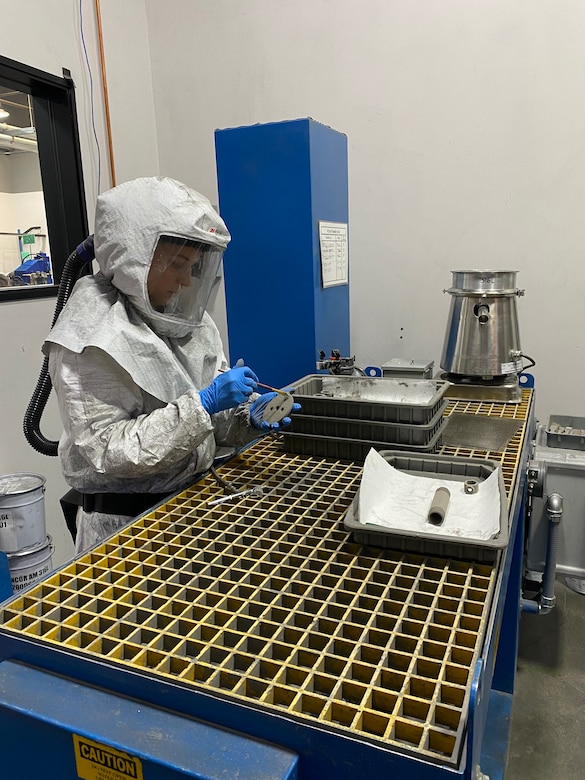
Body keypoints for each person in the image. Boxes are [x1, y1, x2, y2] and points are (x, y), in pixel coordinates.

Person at [44, 176, 299, 553]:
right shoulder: (90, 337)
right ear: (136, 255)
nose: (185, 281)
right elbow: (108, 451)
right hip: (124, 532)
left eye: (194, 267)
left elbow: (205, 427)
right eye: (177, 265)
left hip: (188, 508)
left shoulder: (188, 324)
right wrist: (204, 403)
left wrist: (245, 420)